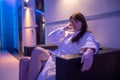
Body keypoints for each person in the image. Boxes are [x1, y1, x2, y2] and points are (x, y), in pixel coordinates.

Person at [25, 12, 99, 80]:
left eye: (77, 22)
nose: (74, 24)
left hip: (64, 60)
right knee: (23, 61)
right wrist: (65, 28)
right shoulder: (68, 33)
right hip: (55, 55)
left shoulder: (86, 35)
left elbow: (91, 42)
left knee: (37, 50)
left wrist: (90, 51)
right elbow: (51, 36)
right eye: (72, 22)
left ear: (82, 23)